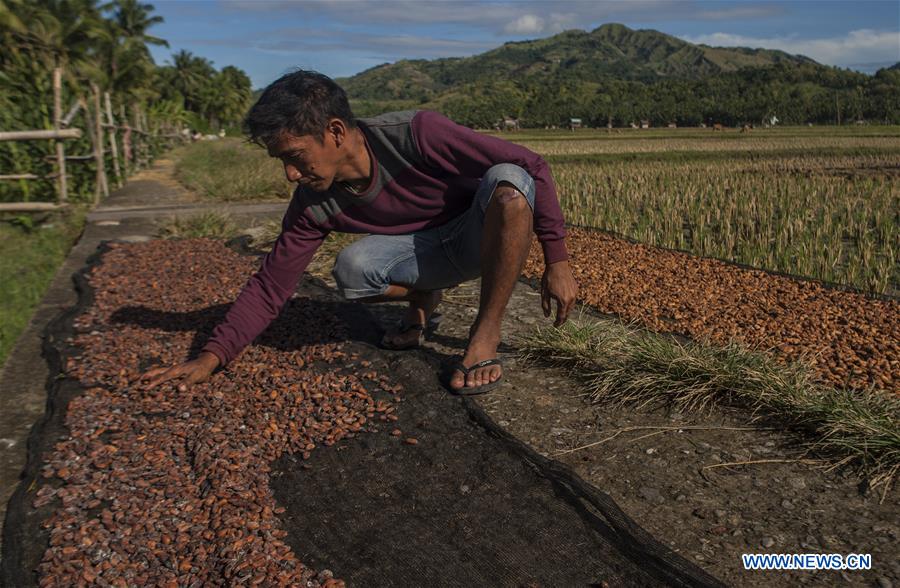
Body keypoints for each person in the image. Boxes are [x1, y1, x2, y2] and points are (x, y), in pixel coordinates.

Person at [140, 70, 577, 395]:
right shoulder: (314, 203)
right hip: (424, 256)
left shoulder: (415, 134)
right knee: (351, 269)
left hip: (475, 236)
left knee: (508, 181)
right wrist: (211, 357)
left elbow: (533, 164)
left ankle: (485, 332)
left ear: (334, 132)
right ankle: (424, 297)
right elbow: (271, 285)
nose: (291, 174)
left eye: (294, 156)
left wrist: (557, 260)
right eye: (281, 162)